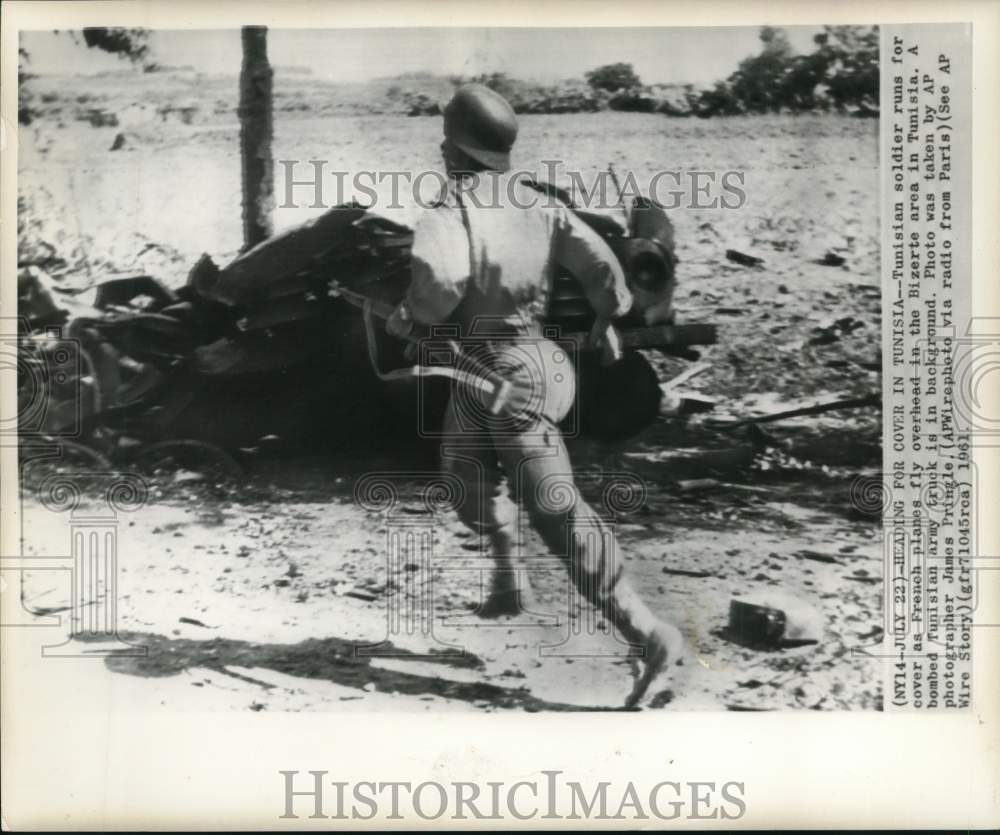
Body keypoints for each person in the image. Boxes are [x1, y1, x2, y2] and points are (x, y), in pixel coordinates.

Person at [386, 84, 685, 708]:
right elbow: (607, 269)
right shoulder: (537, 204)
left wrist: (410, 318)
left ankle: (649, 634)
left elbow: (440, 283)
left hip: (506, 377)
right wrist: (607, 319)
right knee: (465, 474)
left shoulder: (450, 212)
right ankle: (506, 579)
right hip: (512, 366)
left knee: (556, 509)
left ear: (449, 149)